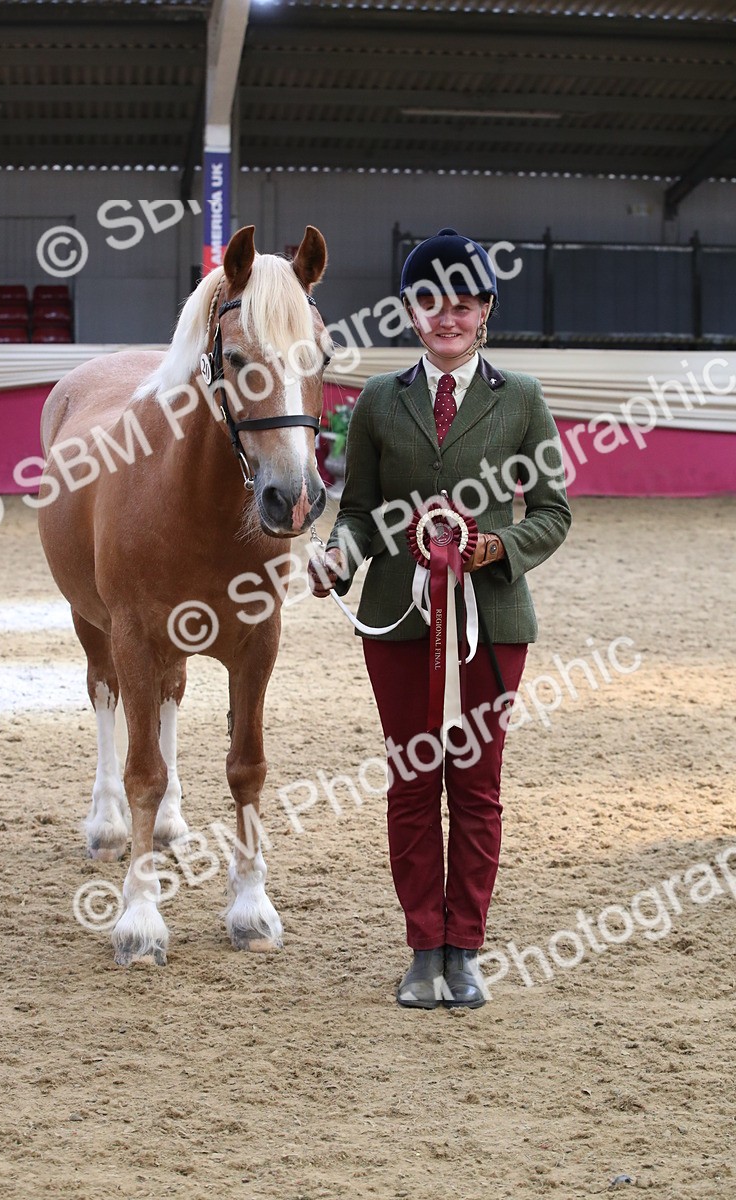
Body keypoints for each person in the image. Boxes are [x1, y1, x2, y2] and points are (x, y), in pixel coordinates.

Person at [308, 228, 571, 1010]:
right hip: (398, 622)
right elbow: (357, 512)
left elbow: (553, 512)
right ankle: (424, 945)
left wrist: (493, 546)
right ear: (410, 312)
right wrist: (337, 556)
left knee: (478, 787)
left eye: (462, 303)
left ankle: (468, 948)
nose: (446, 317)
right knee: (413, 782)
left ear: (484, 310)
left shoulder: (521, 398)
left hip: (492, 623)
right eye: (430, 302)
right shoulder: (378, 402)